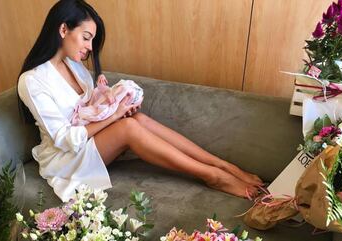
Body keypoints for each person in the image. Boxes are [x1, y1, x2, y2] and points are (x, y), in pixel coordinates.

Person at [17, 0, 263, 202]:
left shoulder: (75, 66)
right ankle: (212, 175)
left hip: (89, 142)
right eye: (86, 37)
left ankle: (221, 165)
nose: (90, 47)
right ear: (63, 30)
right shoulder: (33, 80)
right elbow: (64, 139)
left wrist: (117, 104)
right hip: (65, 159)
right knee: (128, 127)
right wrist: (114, 117)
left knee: (137, 118)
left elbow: (91, 107)